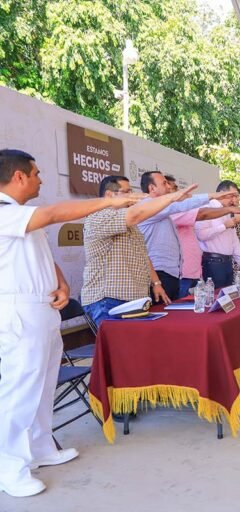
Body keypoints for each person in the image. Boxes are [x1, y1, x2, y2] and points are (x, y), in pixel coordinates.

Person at [0, 149, 139, 497]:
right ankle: (10, 466)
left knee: (44, 383)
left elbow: (41, 255)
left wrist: (60, 282)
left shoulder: (19, 215)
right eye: (35, 173)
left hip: (42, 306)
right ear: (18, 177)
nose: (40, 179)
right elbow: (54, 214)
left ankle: (40, 447)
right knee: (20, 390)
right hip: (18, 310)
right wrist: (108, 204)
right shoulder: (4, 213)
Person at [82, 176, 197, 327]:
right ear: (110, 195)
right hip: (108, 301)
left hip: (134, 301)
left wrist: (156, 283)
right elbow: (137, 213)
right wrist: (171, 197)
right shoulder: (98, 216)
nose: (132, 195)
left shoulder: (130, 224)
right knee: (120, 350)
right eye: (127, 192)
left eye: (131, 190)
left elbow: (143, 254)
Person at [137, 171, 235, 301]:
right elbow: (197, 211)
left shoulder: (163, 208)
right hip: (159, 273)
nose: (168, 187)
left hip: (172, 273)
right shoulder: (148, 205)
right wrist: (214, 196)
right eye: (164, 183)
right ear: (152, 188)